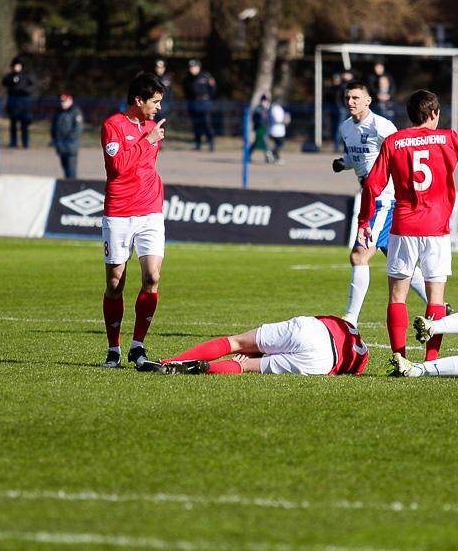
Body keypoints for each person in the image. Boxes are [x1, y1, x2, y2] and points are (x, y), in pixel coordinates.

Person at [357, 90, 458, 362]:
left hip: (403, 227)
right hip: (436, 230)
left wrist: (364, 220)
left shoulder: (393, 141)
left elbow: (373, 185)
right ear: (434, 113)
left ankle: (398, 358)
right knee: (435, 297)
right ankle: (431, 361)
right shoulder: (448, 139)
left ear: (410, 115)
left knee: (397, 296)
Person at [331, 80, 431, 327]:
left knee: (359, 256)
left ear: (368, 100)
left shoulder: (381, 126)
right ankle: (438, 304)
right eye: (348, 98)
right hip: (370, 198)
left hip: (384, 199)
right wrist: (344, 163)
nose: (351, 102)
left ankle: (350, 320)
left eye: (356, 98)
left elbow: (401, 152)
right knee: (396, 259)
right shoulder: (346, 127)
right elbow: (360, 157)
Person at [100, 72, 168, 370]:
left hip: (150, 211)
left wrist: (150, 137)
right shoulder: (112, 126)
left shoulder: (153, 127)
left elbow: (146, 168)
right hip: (119, 213)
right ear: (138, 100)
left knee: (152, 278)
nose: (158, 108)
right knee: (115, 282)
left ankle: (137, 346)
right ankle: (113, 350)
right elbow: (118, 168)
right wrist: (146, 141)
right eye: (154, 102)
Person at [154, 314, 368, 376]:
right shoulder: (362, 356)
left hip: (313, 329)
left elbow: (318, 319)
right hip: (323, 362)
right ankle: (202, 368)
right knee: (247, 366)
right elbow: (346, 372)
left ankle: (166, 362)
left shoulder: (344, 324)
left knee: (236, 342)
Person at [183, 59, 216, 151]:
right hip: (193, 103)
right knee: (196, 124)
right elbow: (186, 91)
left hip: (205, 103)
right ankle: (198, 144)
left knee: (207, 123)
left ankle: (211, 143)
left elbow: (213, 89)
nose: (192, 69)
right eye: (191, 67)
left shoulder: (206, 76)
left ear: (198, 67)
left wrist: (208, 98)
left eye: (194, 67)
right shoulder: (187, 78)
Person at [2, 57, 35, 148]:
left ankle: (25, 143)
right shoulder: (10, 76)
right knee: (13, 124)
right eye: (15, 66)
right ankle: (13, 143)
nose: (17, 68)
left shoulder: (27, 76)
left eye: (19, 66)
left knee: (24, 125)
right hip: (13, 101)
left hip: (24, 102)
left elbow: (32, 86)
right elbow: (4, 82)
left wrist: (24, 91)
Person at [50, 94, 84, 179]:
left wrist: (68, 139)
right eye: (61, 102)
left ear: (70, 100)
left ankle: (72, 188)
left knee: (71, 171)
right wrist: (55, 140)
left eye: (65, 102)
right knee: (65, 170)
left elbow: (78, 128)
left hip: (70, 146)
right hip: (60, 146)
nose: (62, 104)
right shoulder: (58, 112)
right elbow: (54, 127)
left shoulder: (75, 112)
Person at [248, 94, 273, 163]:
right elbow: (258, 118)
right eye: (265, 101)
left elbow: (269, 119)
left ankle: (247, 156)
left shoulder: (266, 109)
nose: (266, 103)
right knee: (265, 144)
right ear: (262, 101)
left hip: (264, 128)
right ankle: (269, 158)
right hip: (260, 129)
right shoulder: (258, 109)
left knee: (258, 143)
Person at [268, 95, 289, 165]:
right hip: (275, 130)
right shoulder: (274, 108)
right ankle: (272, 153)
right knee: (280, 144)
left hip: (280, 130)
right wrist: (285, 120)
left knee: (279, 144)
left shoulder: (279, 108)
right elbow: (277, 119)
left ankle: (276, 157)